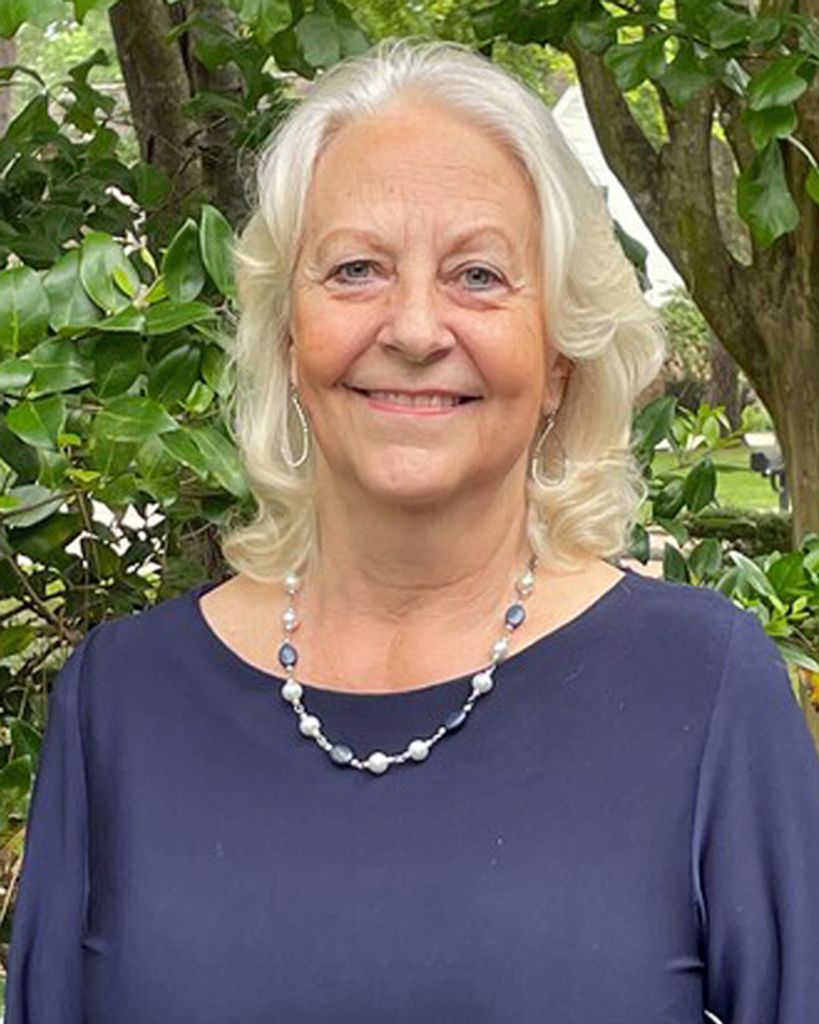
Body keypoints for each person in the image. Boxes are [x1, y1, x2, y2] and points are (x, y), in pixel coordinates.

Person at [5, 37, 819, 1024]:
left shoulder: (703, 690)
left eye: (478, 274)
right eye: (357, 269)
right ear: (288, 336)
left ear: (560, 355)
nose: (416, 329)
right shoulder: (120, 703)